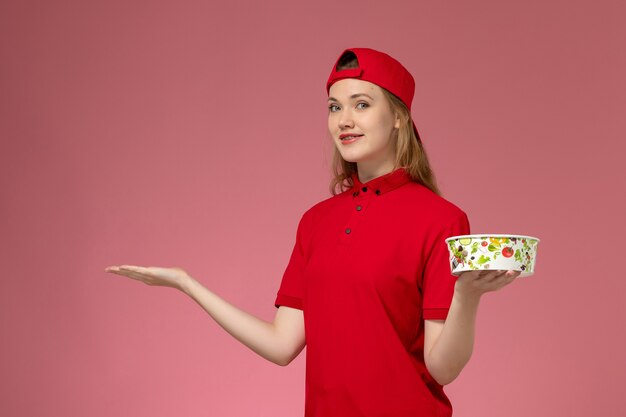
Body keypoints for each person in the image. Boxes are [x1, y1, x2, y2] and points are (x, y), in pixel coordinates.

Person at [105, 47, 520, 417]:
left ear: (398, 116)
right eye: (334, 107)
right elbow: (281, 344)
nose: (344, 121)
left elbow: (443, 368)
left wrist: (467, 295)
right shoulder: (315, 222)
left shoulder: (441, 220)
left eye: (361, 104)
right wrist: (187, 284)